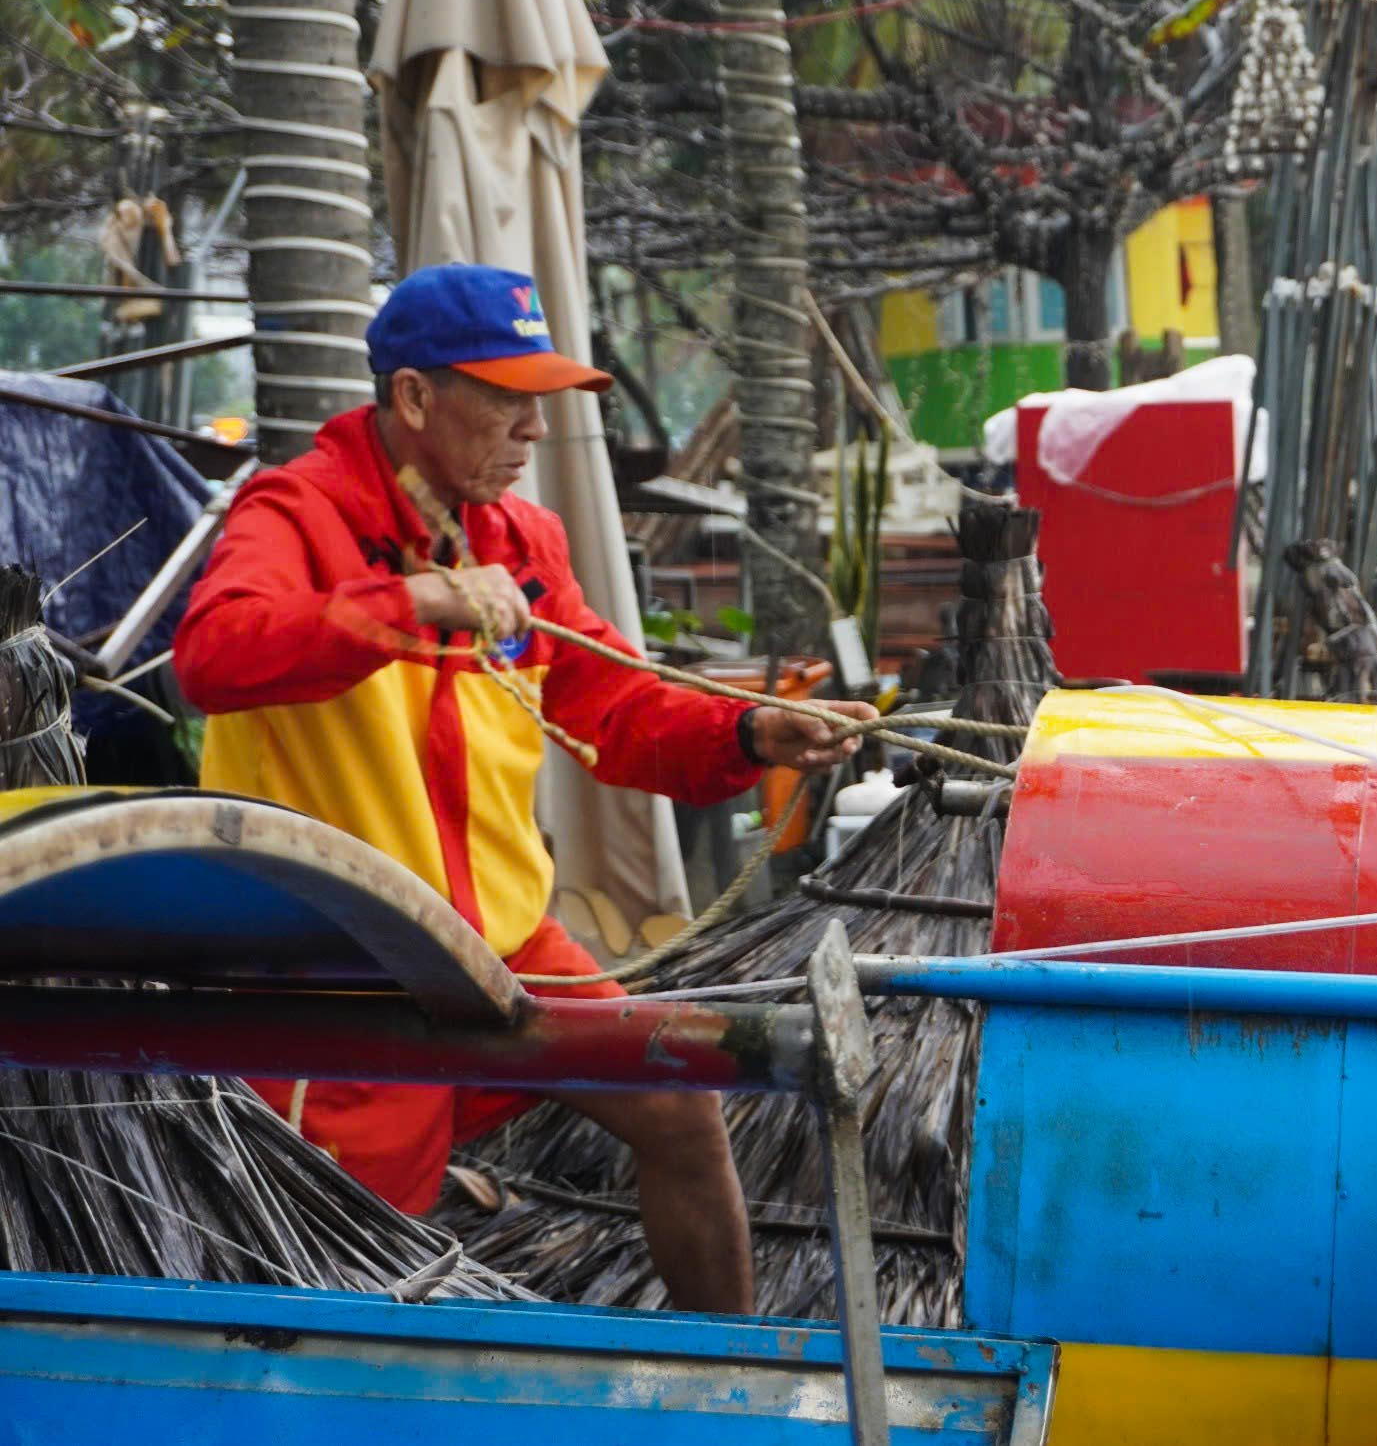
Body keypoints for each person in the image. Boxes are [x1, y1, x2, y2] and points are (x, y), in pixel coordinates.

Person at [173, 262, 877, 1313]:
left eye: (540, 404)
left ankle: (730, 1390)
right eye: (508, 400)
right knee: (368, 1236)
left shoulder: (520, 541)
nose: (534, 432)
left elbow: (617, 710)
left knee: (681, 1112)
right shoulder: (295, 509)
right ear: (414, 398)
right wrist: (412, 601)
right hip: (341, 960)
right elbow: (213, 657)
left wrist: (749, 727)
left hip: (503, 941)